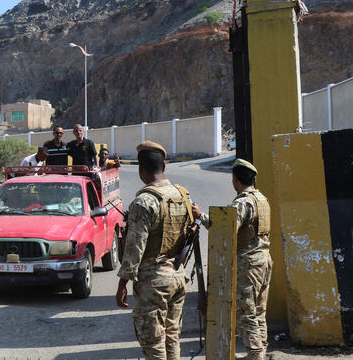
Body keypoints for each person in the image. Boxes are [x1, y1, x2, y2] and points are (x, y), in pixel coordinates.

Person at [115, 141, 192, 360]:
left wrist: (123, 283)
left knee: (153, 342)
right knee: (171, 338)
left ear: (141, 169)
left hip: (153, 284)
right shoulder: (182, 195)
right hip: (177, 277)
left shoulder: (144, 201)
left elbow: (134, 248)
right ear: (164, 168)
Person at [192, 159, 271, 360]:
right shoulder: (262, 198)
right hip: (264, 262)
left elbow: (225, 230)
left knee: (247, 314)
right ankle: (260, 352)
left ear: (235, 179)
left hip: (249, 266)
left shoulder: (243, 201)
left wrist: (201, 216)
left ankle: (255, 355)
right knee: (259, 312)